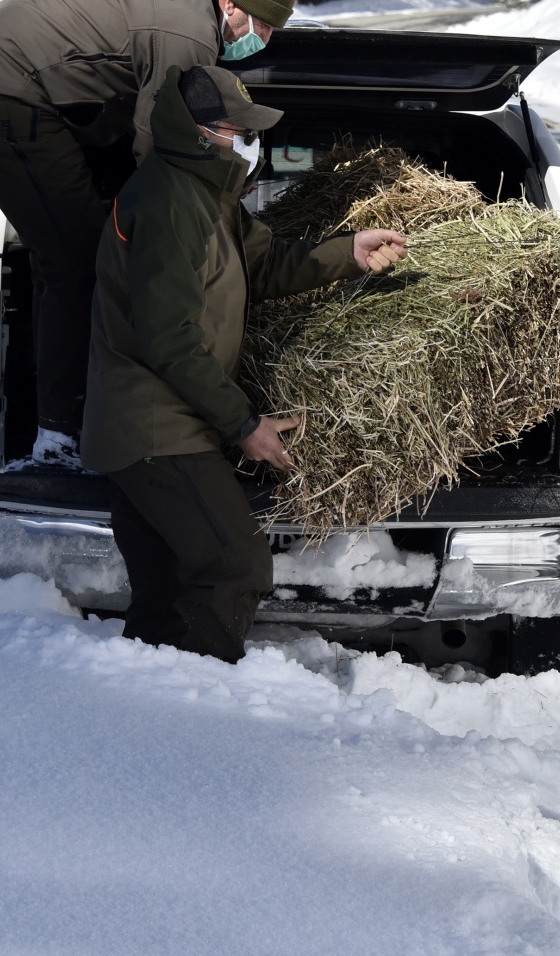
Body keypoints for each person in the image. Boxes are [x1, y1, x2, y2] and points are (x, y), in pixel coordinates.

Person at [80, 64, 407, 664]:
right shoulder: (169, 200)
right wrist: (242, 424)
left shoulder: (208, 195)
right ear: (202, 132)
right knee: (237, 567)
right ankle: (205, 708)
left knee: (166, 592)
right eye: (239, 130)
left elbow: (263, 264)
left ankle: (148, 718)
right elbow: (168, 337)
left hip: (160, 425)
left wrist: (346, 252)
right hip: (154, 427)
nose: (251, 143)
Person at [0, 0, 299, 468]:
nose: (263, 39)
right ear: (231, 2)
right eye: (263, 24)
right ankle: (57, 438)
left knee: (90, 232)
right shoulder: (187, 35)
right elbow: (166, 153)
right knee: (77, 260)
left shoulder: (188, 0)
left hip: (22, 85)